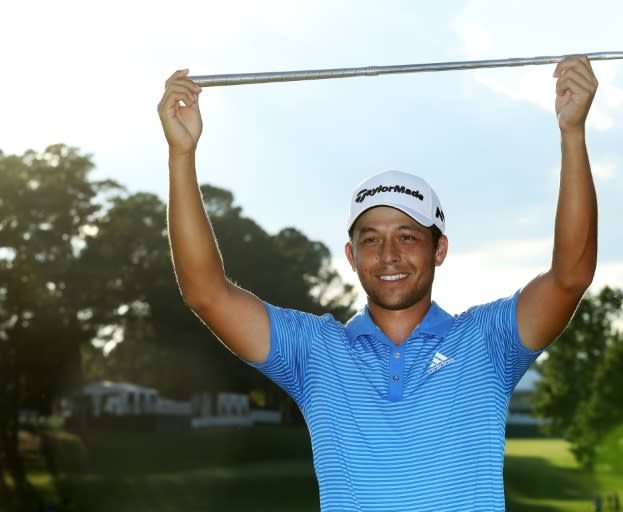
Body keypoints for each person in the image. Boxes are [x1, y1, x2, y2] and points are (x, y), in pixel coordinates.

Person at [157, 55, 598, 511]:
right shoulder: (316, 352)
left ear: (438, 250)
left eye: (407, 237)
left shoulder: (488, 341)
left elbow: (571, 276)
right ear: (351, 256)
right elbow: (206, 294)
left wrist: (572, 133)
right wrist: (181, 154)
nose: (389, 255)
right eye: (372, 240)